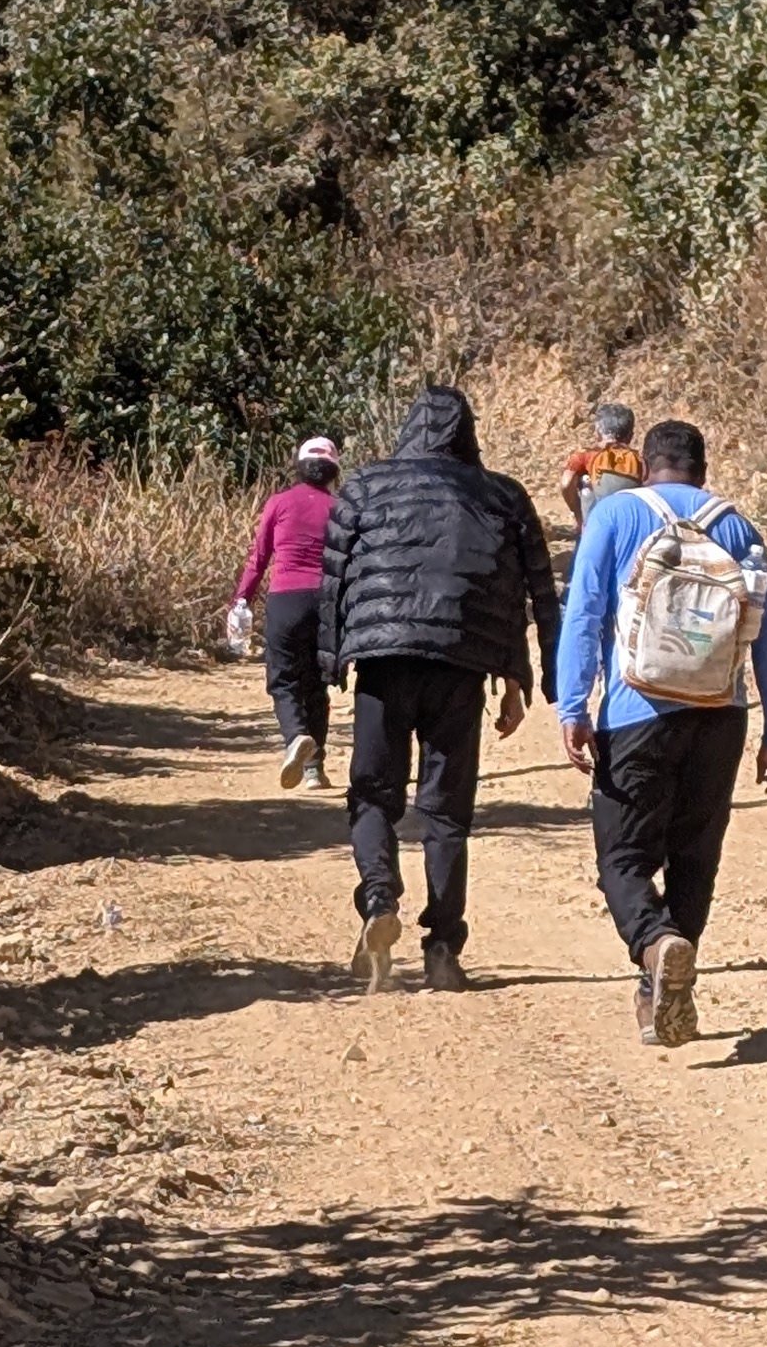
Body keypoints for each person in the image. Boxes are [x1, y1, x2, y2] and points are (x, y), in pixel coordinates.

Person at [555, 416, 767, 1046]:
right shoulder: (739, 527)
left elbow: (583, 613)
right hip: (722, 716)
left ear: (645, 463)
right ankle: (659, 985)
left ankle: (655, 944)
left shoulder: (612, 517)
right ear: (703, 470)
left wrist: (574, 707)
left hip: (637, 713)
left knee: (623, 856)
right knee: (695, 856)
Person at [316, 386, 561, 994]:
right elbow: (532, 590)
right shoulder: (502, 495)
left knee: (373, 793)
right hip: (461, 667)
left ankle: (378, 896)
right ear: (467, 433)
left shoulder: (366, 485)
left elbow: (333, 577)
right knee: (447, 812)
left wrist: (330, 663)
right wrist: (526, 676)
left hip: (382, 661)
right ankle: (443, 946)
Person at [230, 437, 341, 789]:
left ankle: (295, 736)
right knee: (318, 685)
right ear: (333, 472)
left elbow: (258, 558)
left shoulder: (279, 503)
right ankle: (314, 771)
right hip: (326, 602)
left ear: (299, 467)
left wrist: (241, 599)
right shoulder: (339, 508)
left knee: (283, 680)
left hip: (286, 600)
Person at [560, 399, 643, 535]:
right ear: (630, 435)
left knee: (585, 480)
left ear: (598, 431)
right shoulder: (640, 460)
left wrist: (578, 514)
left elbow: (566, 483)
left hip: (595, 528)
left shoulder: (586, 456)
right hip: (630, 527)